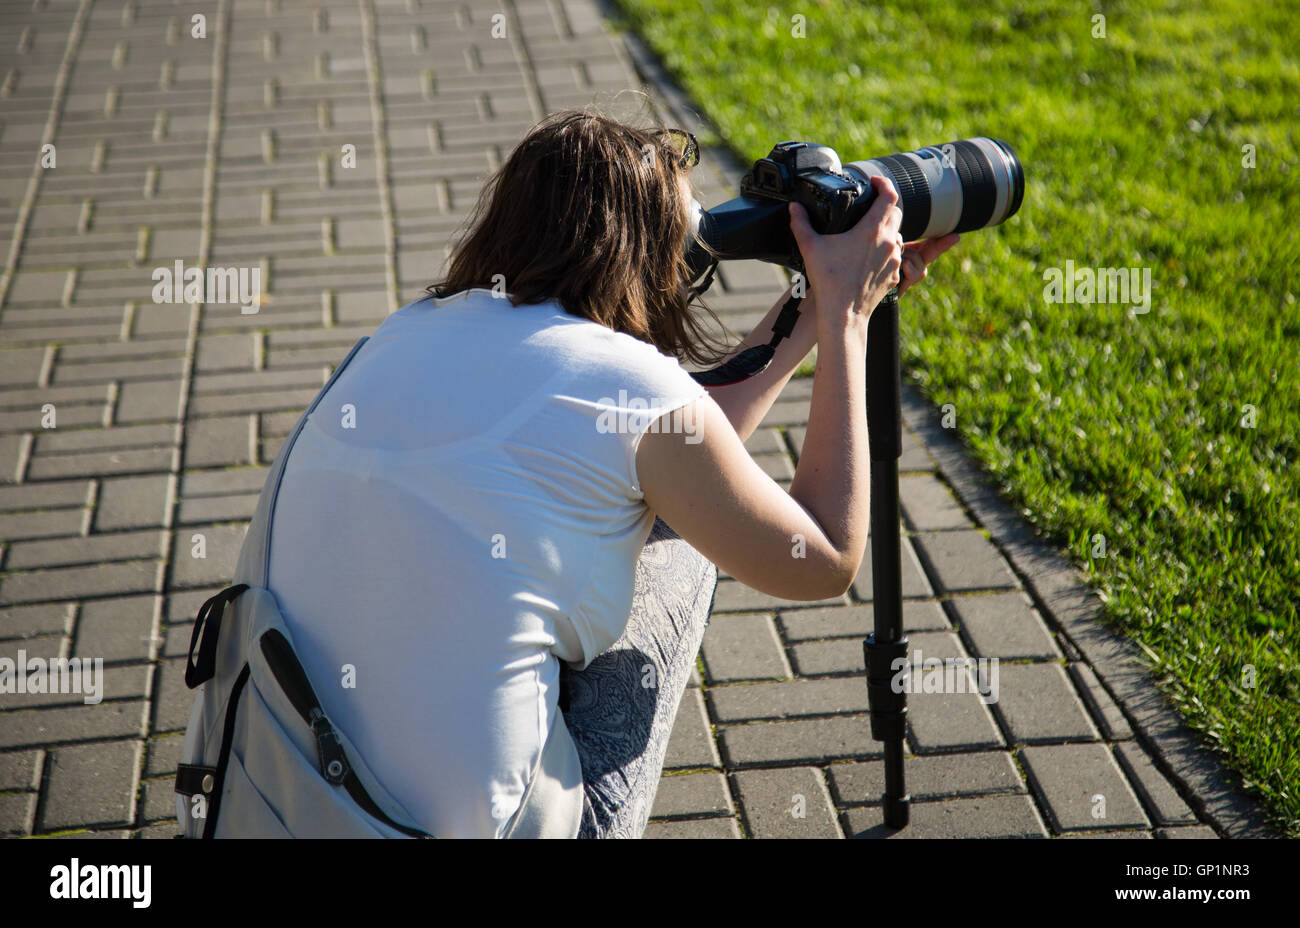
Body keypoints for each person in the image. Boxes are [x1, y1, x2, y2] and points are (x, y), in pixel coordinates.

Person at [264, 109, 957, 838]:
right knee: (688, 538)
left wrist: (813, 301)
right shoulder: (628, 386)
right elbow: (823, 556)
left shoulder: (407, 329)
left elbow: (675, 444)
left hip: (281, 792)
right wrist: (848, 318)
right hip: (487, 829)